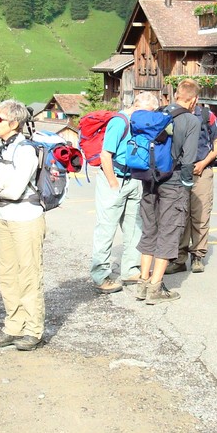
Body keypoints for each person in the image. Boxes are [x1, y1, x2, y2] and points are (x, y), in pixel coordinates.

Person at [0, 100, 46, 350]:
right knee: (7, 274)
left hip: (27, 218)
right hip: (5, 217)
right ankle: (13, 325)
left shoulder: (25, 150)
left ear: (14, 123)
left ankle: (33, 329)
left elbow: (16, 190)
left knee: (29, 274)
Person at [134, 79, 200, 304]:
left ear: (175, 95)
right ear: (193, 100)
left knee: (149, 229)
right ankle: (156, 289)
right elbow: (189, 159)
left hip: (150, 180)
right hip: (173, 182)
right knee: (169, 231)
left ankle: (143, 283)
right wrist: (188, 184)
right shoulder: (191, 120)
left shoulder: (158, 113)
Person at [90, 92, 155, 294]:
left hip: (134, 178)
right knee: (106, 228)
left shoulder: (138, 122)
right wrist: (112, 183)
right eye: (150, 113)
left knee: (135, 227)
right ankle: (100, 275)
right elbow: (105, 155)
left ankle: (130, 269)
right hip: (115, 179)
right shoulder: (119, 122)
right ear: (139, 107)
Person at [168, 101, 217, 274]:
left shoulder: (207, 115)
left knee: (200, 215)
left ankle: (198, 256)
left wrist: (203, 163)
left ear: (194, 99)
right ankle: (179, 258)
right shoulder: (171, 113)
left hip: (201, 171)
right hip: (177, 172)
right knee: (180, 215)